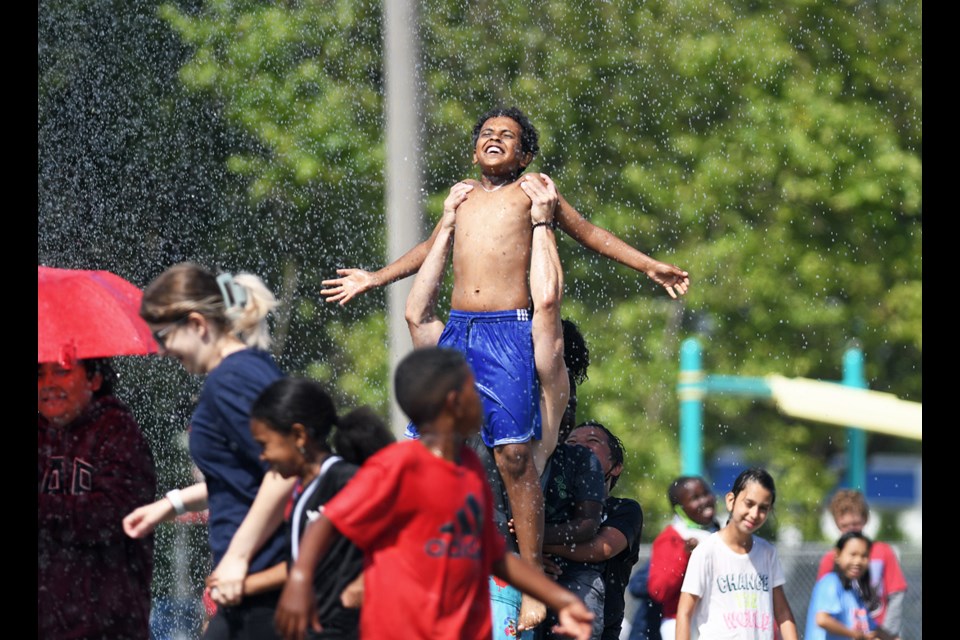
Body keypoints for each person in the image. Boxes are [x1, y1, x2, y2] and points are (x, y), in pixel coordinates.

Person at [274, 347, 595, 640]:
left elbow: (494, 555)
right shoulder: (398, 466)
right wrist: (299, 581)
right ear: (455, 402)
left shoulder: (470, 468)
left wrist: (560, 599)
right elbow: (326, 522)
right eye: (477, 391)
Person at [403, 163, 570, 631]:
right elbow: (416, 313)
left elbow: (548, 302)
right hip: (441, 571)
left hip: (498, 574)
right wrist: (450, 224)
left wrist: (542, 222)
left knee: (513, 455)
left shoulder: (543, 382)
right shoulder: (456, 369)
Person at [122, 262, 294, 639]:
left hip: (261, 583)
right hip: (257, 582)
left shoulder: (229, 380)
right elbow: (244, 476)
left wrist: (238, 557)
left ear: (198, 324)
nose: (163, 352)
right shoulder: (250, 367)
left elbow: (288, 469)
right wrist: (171, 504)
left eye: (164, 337)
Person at [245, 377, 390, 639]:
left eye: (265, 445)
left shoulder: (344, 480)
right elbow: (300, 561)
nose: (262, 456)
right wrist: (245, 586)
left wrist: (364, 581)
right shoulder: (304, 488)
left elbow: (397, 532)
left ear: (299, 435)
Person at [39, 357, 157, 639]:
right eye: (40, 374)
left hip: (104, 626)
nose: (48, 384)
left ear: (95, 379)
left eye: (62, 371)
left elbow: (116, 516)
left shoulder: (119, 433)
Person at [546, 422, 644, 640]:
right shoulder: (549, 504)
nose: (579, 447)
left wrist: (535, 542)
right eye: (571, 442)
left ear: (616, 466)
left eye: (592, 441)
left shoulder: (625, 509)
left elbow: (601, 548)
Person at [675, 468, 799, 640]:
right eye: (749, 503)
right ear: (731, 501)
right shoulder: (706, 551)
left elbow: (783, 613)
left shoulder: (768, 553)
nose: (754, 514)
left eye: (763, 508)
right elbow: (684, 612)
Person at [815, 491, 907, 639]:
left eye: (855, 524)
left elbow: (896, 595)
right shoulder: (831, 559)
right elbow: (824, 604)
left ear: (865, 519)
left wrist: (885, 633)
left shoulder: (883, 552)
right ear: (837, 524)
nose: (851, 529)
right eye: (845, 525)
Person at [647, 476, 720, 640]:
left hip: (720, 621)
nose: (704, 501)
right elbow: (659, 591)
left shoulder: (723, 532)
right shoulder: (671, 538)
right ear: (680, 508)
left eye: (706, 493)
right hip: (681, 623)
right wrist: (685, 556)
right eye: (695, 498)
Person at [805, 532, 897, 640]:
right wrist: (856, 635)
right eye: (853, 554)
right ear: (837, 555)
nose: (858, 561)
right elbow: (823, 620)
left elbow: (873, 628)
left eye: (864, 556)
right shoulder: (830, 582)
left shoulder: (853, 592)